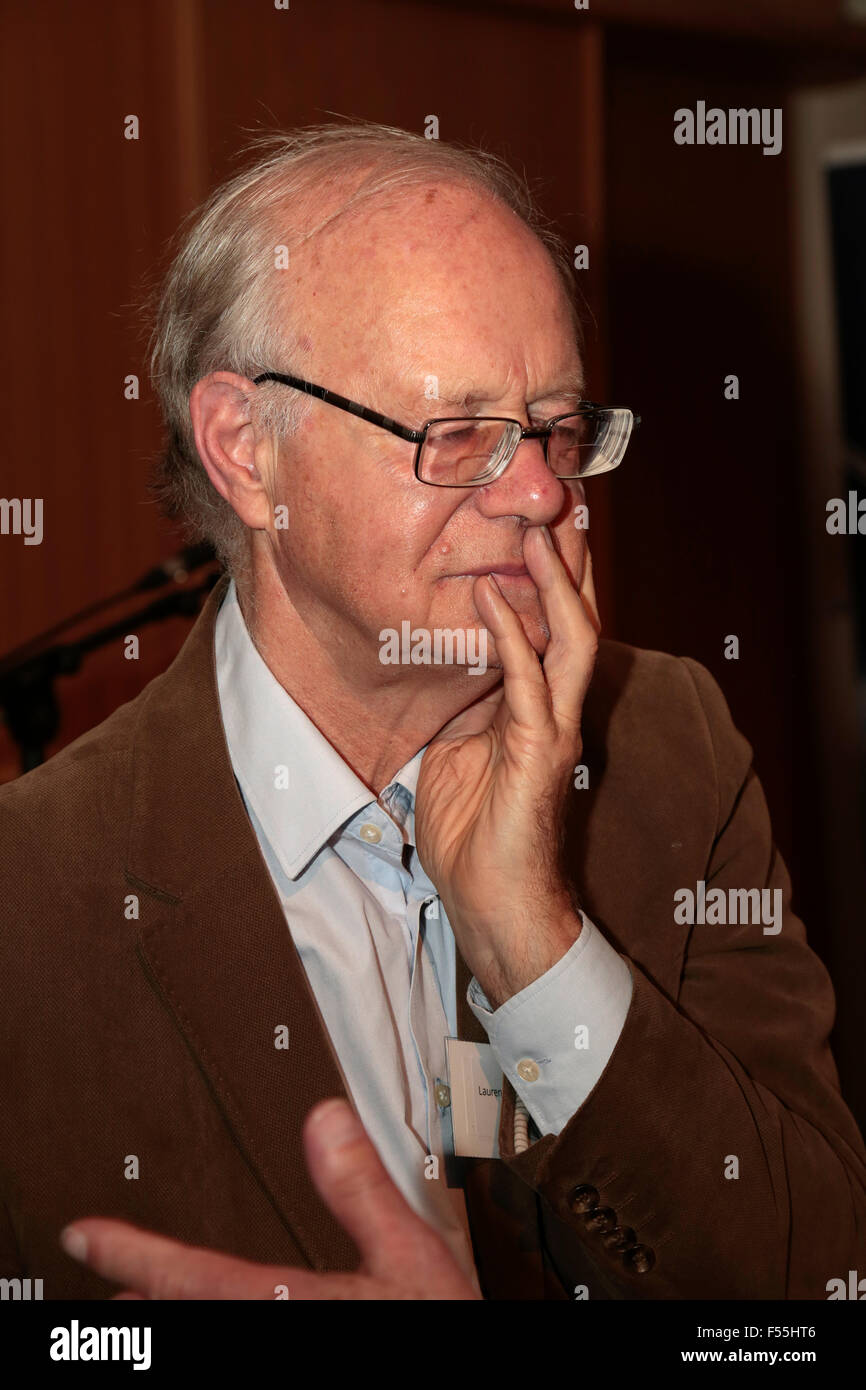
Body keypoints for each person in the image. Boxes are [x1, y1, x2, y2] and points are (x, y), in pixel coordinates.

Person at [2, 123, 864, 1302]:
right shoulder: (31, 896)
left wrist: (534, 945)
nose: (540, 490)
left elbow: (809, 1284)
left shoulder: (667, 742)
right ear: (248, 453)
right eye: (457, 434)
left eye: (557, 427)